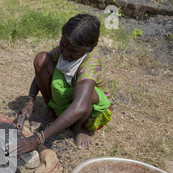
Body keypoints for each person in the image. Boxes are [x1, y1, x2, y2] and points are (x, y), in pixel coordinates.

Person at [12, 14, 113, 155]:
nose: (65, 53)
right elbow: (41, 70)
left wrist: (37, 139)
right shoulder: (65, 48)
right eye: (63, 45)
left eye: (73, 51)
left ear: (91, 47)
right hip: (68, 97)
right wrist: (30, 101)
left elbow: (80, 106)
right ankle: (52, 112)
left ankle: (78, 127)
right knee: (42, 58)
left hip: (87, 110)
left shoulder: (90, 62)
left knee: (86, 94)